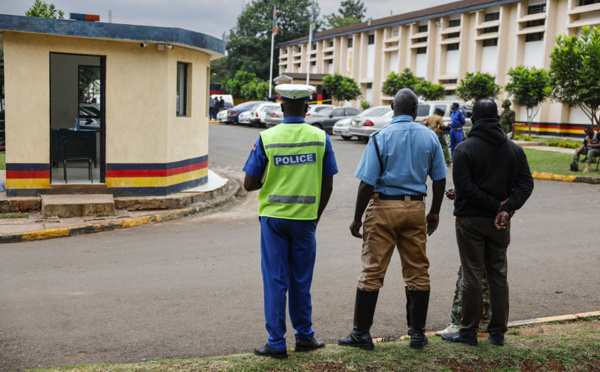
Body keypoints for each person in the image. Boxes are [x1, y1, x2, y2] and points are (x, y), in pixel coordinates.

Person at [338, 88, 447, 350]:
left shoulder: (380, 137)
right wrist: (434, 212)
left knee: (373, 270)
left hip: (384, 207)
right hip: (416, 209)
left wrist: (357, 218)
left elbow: (366, 183)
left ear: (392, 108)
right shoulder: (430, 138)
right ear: (415, 109)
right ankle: (418, 334)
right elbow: (440, 178)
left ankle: (361, 334)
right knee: (417, 271)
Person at [243, 83, 338, 359]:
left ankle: (276, 343)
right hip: (305, 221)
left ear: (282, 106)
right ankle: (305, 337)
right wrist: (315, 217)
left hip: (273, 220)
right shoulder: (321, 138)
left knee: (275, 280)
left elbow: (249, 184)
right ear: (307, 108)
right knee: (301, 280)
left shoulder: (267, 137)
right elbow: (328, 184)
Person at [441, 98, 533, 347]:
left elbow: (467, 188)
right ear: (499, 119)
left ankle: (468, 333)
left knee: (472, 275)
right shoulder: (514, 149)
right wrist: (506, 208)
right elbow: (526, 184)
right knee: (498, 276)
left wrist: (498, 207)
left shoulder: (464, 149)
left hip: (471, 221)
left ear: (474, 120)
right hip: (499, 224)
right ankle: (497, 333)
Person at [435, 190, 492, 336]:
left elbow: (470, 185)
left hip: (473, 219)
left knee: (468, 272)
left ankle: (459, 322)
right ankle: (486, 320)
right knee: (489, 271)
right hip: (495, 218)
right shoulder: (505, 167)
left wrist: (461, 193)